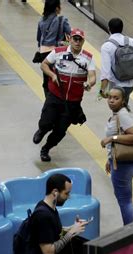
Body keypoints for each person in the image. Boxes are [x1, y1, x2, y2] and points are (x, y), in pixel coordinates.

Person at [33, 28, 96, 162]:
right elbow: (44, 65)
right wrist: (52, 74)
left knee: (60, 130)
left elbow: (92, 76)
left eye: (80, 40)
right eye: (75, 39)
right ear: (70, 39)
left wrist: (89, 84)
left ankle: (46, 149)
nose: (77, 42)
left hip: (72, 102)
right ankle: (42, 130)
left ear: (83, 41)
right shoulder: (58, 52)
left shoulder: (88, 58)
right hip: (55, 96)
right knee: (46, 121)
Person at [30, 173, 88, 254]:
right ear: (55, 192)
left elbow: (52, 232)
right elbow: (48, 251)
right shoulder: (43, 216)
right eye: (66, 193)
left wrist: (73, 227)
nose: (69, 196)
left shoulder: (49, 207)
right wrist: (70, 233)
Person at [100, 87, 133, 225]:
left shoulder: (122, 115)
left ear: (123, 100)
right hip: (121, 160)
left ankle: (129, 231)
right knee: (125, 197)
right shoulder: (117, 114)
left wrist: (112, 138)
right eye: (110, 97)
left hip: (124, 163)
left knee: (124, 200)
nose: (111, 100)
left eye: (116, 98)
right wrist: (109, 159)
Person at [99, 17, 133, 104]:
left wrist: (102, 90)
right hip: (130, 85)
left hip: (116, 86)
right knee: (123, 107)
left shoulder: (106, 46)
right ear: (122, 28)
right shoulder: (131, 41)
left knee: (117, 111)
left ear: (109, 29)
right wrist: (129, 73)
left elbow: (105, 72)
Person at [36, 0, 71, 95]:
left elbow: (38, 39)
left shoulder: (41, 21)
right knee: (58, 77)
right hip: (56, 52)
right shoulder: (62, 20)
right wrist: (64, 43)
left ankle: (48, 100)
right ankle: (56, 100)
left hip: (43, 53)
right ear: (56, 8)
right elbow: (71, 35)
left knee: (47, 79)